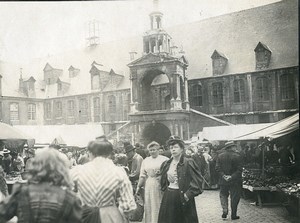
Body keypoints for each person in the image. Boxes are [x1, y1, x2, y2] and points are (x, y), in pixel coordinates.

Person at [0, 147, 82, 223]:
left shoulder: (22, 192)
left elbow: (2, 214)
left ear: (35, 166)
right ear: (61, 169)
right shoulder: (70, 199)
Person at [70, 139, 136, 223]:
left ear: (90, 153)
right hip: (110, 214)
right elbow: (128, 205)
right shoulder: (118, 172)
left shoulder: (77, 171)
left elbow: (65, 193)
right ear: (109, 154)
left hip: (85, 214)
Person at [158, 136, 203, 223]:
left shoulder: (188, 162)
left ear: (182, 149)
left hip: (183, 197)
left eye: (175, 147)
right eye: (171, 148)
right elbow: (163, 182)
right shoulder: (166, 164)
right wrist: (166, 175)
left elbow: (198, 181)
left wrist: (188, 194)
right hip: (170, 196)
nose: (173, 150)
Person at [136, 141, 168, 223]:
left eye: (154, 149)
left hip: (160, 183)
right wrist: (139, 186)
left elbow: (169, 172)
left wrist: (161, 174)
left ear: (158, 149)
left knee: (159, 203)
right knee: (150, 204)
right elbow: (142, 175)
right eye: (150, 150)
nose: (152, 152)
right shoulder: (146, 160)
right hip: (149, 184)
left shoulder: (164, 159)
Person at [216, 141, 242, 220]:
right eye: (234, 146)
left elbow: (217, 168)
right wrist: (231, 176)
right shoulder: (237, 156)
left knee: (223, 195)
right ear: (231, 147)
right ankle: (233, 215)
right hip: (234, 181)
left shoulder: (220, 156)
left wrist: (223, 175)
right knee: (234, 197)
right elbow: (240, 169)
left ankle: (225, 209)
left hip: (223, 180)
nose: (235, 148)